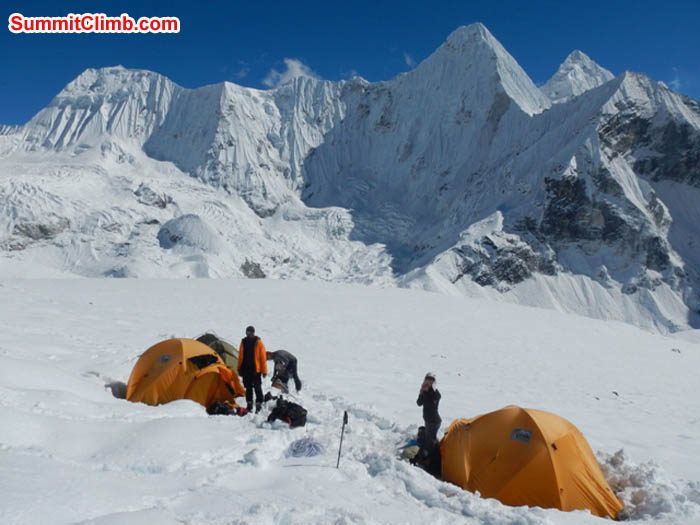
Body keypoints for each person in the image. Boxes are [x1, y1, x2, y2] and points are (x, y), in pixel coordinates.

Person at [237, 325, 267, 413]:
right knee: (248, 388)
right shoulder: (243, 342)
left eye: (250, 333)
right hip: (246, 369)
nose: (248, 334)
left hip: (256, 370)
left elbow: (263, 358)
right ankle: (249, 404)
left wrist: (264, 371)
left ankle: (259, 404)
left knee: (257, 387)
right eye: (247, 333)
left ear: (253, 333)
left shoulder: (258, 343)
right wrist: (239, 368)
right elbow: (240, 357)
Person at [416, 372, 441, 460]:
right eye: (427, 379)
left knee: (430, 442)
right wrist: (421, 393)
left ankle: (430, 459)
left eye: (431, 380)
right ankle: (429, 456)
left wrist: (426, 393)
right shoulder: (425, 391)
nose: (429, 382)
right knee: (429, 438)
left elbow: (433, 403)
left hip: (434, 421)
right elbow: (419, 403)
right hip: (428, 420)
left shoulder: (435, 393)